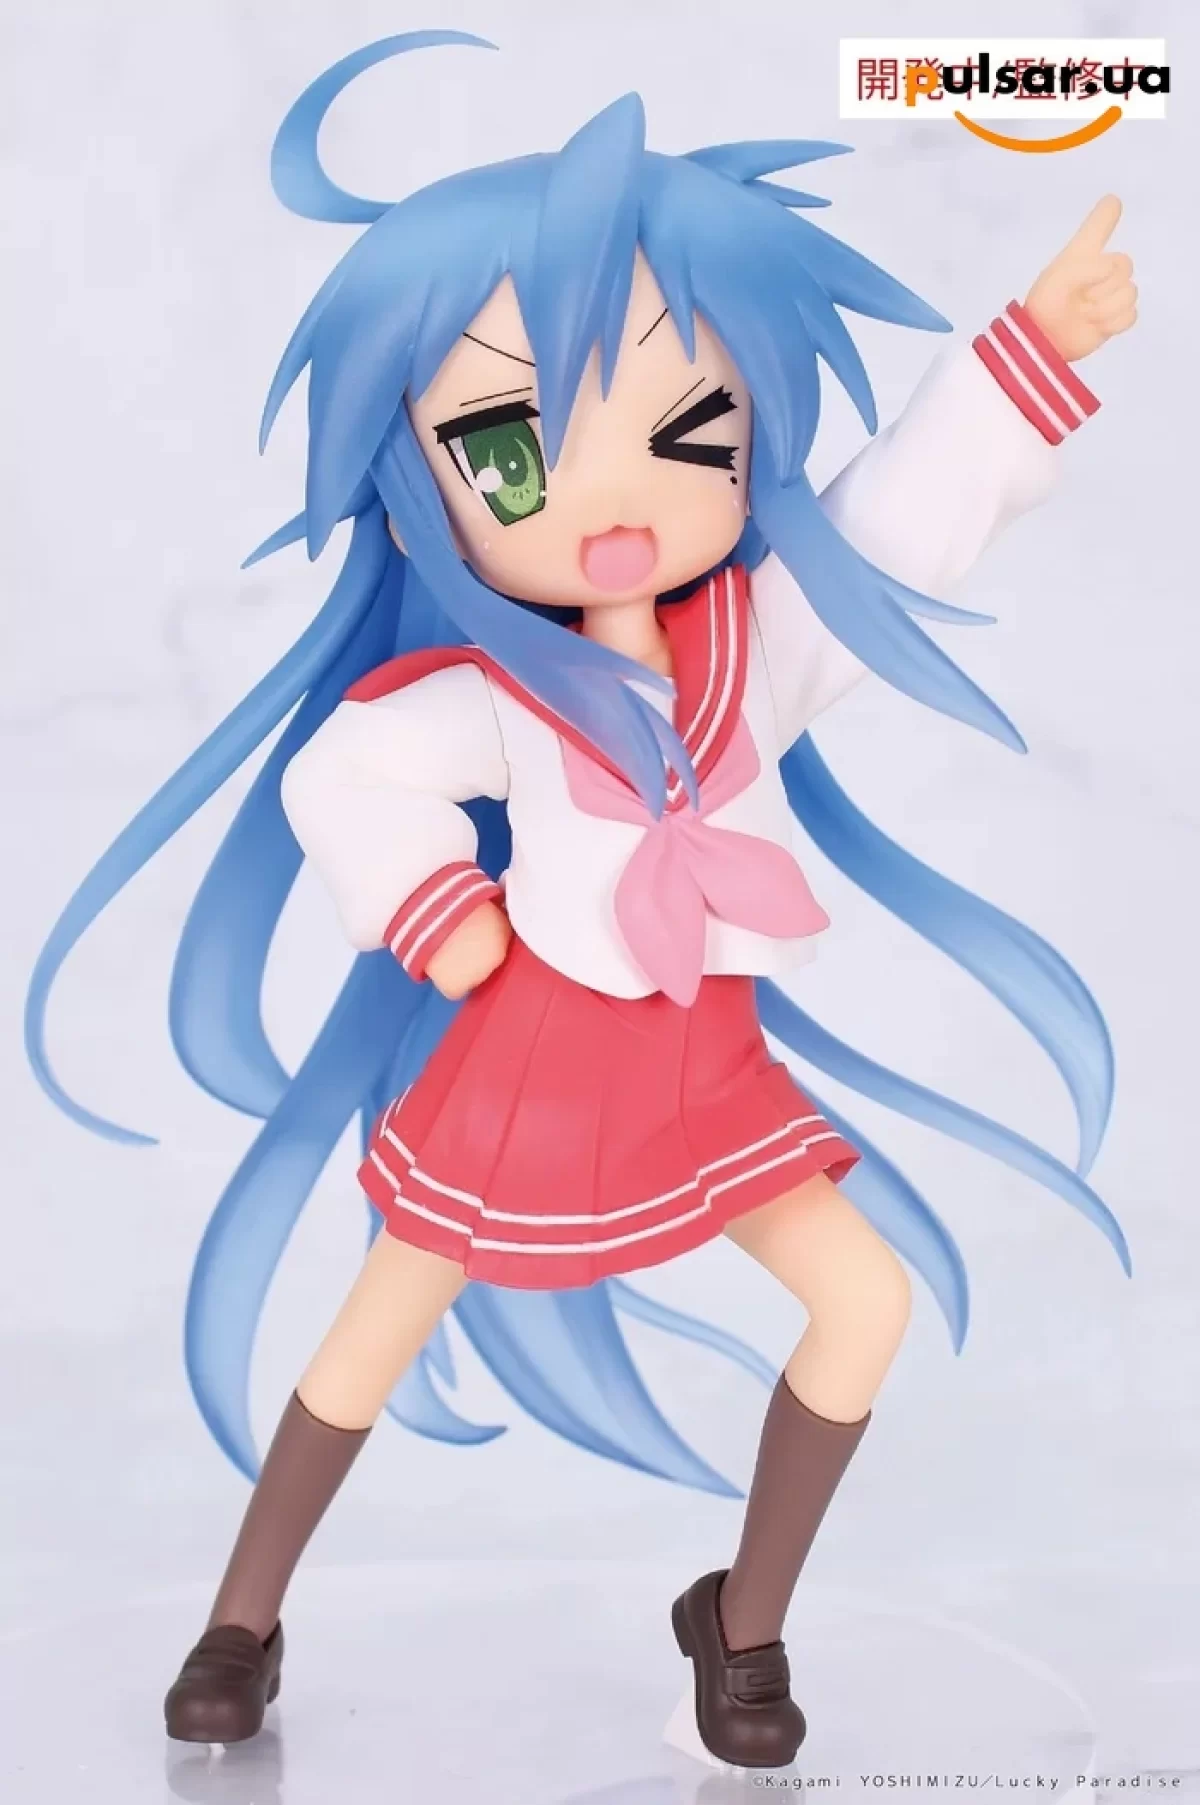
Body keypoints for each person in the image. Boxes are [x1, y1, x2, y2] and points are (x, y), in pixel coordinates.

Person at [25, 31, 1135, 1769]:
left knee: (864, 1303)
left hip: (710, 1065)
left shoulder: (759, 646)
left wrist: (1024, 358)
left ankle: (740, 1623)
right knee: (374, 1331)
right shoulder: (503, 692)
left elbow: (894, 524)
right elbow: (342, 771)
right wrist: (434, 909)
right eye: (513, 454)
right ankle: (240, 1617)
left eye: (688, 428)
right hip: (533, 1065)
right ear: (429, 482)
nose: (610, 504)